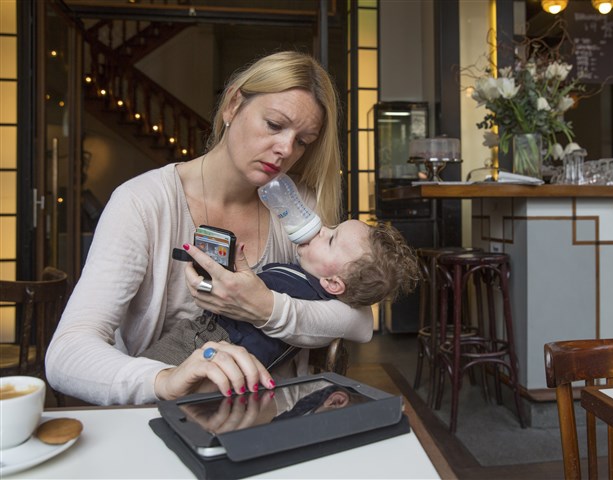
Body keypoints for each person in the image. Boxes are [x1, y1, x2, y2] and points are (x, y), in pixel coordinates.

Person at [45, 51, 375, 406]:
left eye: (302, 141)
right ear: (233, 104)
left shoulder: (296, 206)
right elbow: (66, 352)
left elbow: (360, 323)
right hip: (168, 419)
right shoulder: (143, 204)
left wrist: (264, 307)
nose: (285, 149)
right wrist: (165, 379)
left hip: (276, 418)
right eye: (275, 125)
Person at [141, 220, 420, 369]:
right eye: (333, 227)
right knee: (142, 376)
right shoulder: (303, 275)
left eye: (331, 238)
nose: (322, 229)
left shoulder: (311, 297)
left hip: (207, 347)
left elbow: (360, 326)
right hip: (200, 336)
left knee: (146, 382)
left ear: (334, 284)